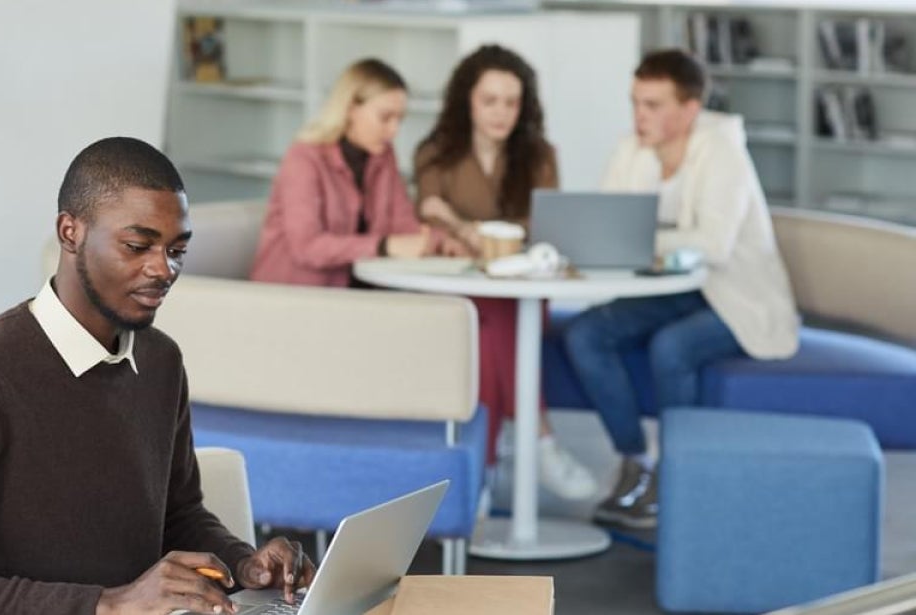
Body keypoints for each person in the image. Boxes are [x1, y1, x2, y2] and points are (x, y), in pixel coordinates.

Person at [0, 137, 314, 615]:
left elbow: (178, 516)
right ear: (70, 232)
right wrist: (106, 605)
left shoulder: (161, 361)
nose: (163, 269)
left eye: (177, 250)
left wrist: (245, 564)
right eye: (137, 245)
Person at [563, 49, 800, 529]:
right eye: (635, 102)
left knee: (672, 348)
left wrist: (639, 240)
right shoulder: (632, 149)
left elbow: (712, 245)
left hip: (733, 296)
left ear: (690, 108)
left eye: (653, 105)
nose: (639, 116)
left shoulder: (722, 152)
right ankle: (635, 461)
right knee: (585, 335)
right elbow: (608, 226)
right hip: (667, 292)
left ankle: (680, 476)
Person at [413, 45, 597, 501]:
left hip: (522, 290)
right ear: (467, 101)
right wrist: (465, 229)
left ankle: (484, 471)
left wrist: (470, 227)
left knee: (499, 320)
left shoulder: (539, 155)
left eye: (511, 102)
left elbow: (546, 225)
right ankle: (541, 440)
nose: (501, 113)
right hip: (456, 293)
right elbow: (429, 213)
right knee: (491, 323)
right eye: (489, 100)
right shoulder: (435, 154)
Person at [250, 58, 462, 286]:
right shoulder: (304, 158)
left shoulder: (382, 155)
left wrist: (438, 242)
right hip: (296, 294)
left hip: (354, 292)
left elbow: (402, 223)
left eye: (399, 119)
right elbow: (307, 247)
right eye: (385, 117)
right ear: (351, 108)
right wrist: (384, 245)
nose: (394, 130)